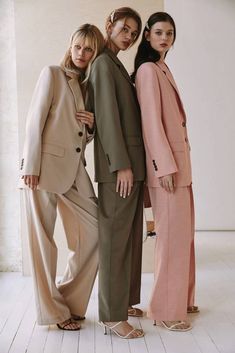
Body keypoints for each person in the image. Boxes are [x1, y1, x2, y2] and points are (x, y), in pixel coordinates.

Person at [19, 24, 104, 331]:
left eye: (89, 49)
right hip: (41, 168)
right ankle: (54, 313)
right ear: (70, 45)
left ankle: (69, 301)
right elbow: (35, 117)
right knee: (43, 243)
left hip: (75, 170)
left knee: (95, 231)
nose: (82, 53)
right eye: (78, 46)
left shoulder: (88, 85)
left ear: (95, 53)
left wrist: (91, 124)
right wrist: (30, 163)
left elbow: (82, 135)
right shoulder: (53, 73)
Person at [133, 12, 198, 332]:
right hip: (168, 169)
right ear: (147, 35)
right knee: (170, 240)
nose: (164, 38)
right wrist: (163, 167)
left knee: (183, 236)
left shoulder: (161, 67)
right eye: (158, 32)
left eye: (169, 33)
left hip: (180, 166)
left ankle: (181, 299)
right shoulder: (147, 70)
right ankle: (165, 310)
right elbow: (151, 123)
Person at [88, 7, 145, 339]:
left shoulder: (116, 65)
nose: (129, 36)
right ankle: (111, 316)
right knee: (114, 242)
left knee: (129, 239)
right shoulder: (102, 65)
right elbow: (108, 119)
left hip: (132, 165)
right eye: (125, 29)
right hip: (119, 169)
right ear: (109, 26)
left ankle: (121, 302)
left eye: (134, 33)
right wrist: (120, 164)